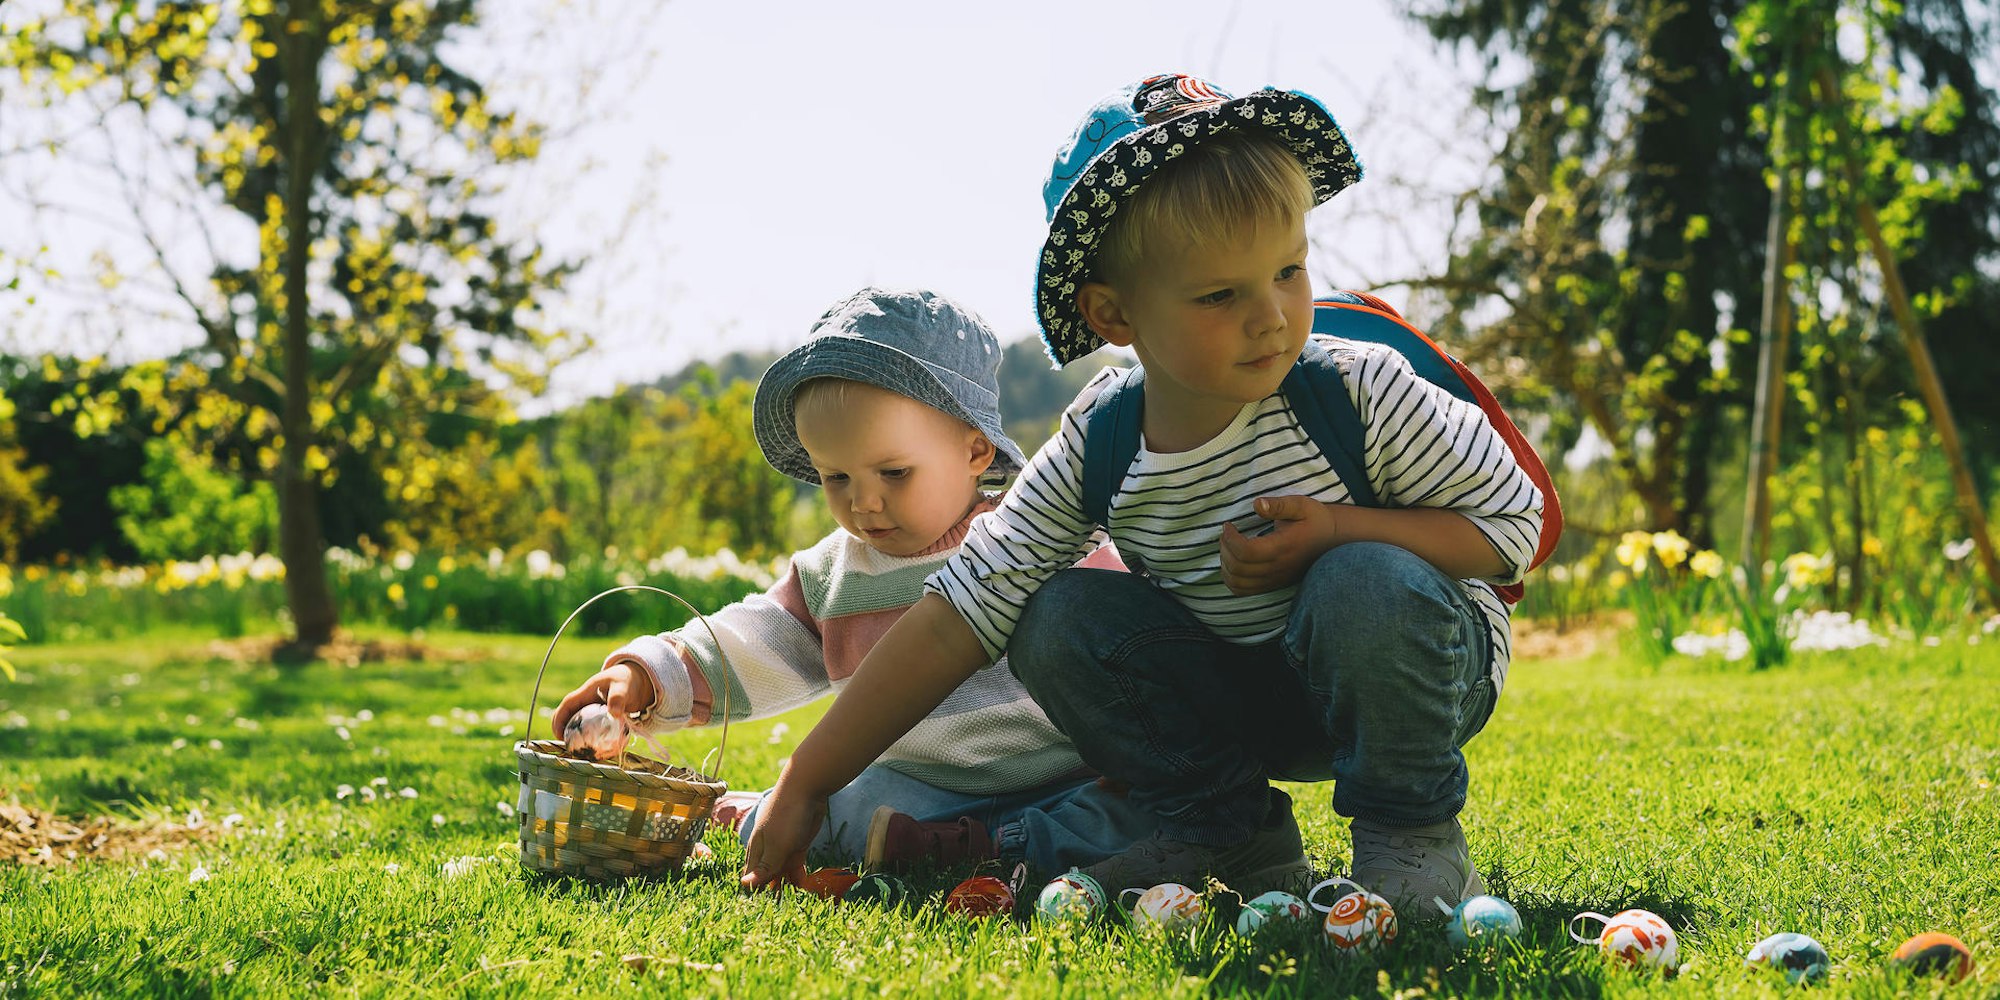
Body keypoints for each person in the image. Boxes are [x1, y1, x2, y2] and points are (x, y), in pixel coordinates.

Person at [739, 74, 1543, 916]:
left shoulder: (1355, 393)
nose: (1271, 315)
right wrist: (808, 779)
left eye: (1288, 270)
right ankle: (1227, 829)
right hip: (1245, 696)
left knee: (1362, 577)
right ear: (1115, 314)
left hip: (1416, 672)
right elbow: (960, 610)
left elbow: (1513, 528)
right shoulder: (1106, 439)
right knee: (1052, 612)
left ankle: (1410, 836)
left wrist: (1338, 530)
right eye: (1220, 294)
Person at [550, 286, 1153, 877]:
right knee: (837, 811)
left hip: (1057, 779)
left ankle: (956, 846)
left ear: (975, 451)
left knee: (1134, 815)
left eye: (894, 472)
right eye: (834, 476)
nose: (863, 502)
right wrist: (649, 674)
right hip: (914, 787)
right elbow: (753, 640)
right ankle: (828, 828)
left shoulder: (1041, 536)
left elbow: (1126, 639)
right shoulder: (832, 576)